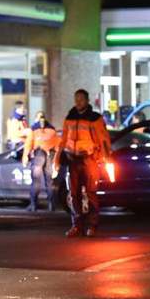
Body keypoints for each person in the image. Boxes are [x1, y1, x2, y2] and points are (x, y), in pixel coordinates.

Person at [55, 89, 112, 237]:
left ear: (87, 101)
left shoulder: (95, 118)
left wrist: (104, 157)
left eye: (81, 99)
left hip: (89, 159)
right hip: (72, 160)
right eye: (76, 99)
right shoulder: (70, 117)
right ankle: (77, 226)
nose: (78, 102)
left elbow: (103, 140)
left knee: (91, 193)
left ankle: (92, 225)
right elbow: (63, 140)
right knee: (74, 194)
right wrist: (57, 158)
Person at [22, 112, 60, 212]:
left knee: (36, 181)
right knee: (50, 182)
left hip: (39, 155)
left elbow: (28, 144)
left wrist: (25, 157)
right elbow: (57, 147)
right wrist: (56, 163)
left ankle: (33, 205)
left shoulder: (34, 130)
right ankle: (51, 205)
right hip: (50, 156)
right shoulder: (52, 130)